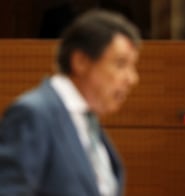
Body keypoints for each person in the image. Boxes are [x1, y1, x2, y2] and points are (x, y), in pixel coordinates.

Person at [0, 10, 141, 196]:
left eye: (133, 66)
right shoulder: (34, 114)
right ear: (80, 61)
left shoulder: (87, 122)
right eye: (120, 64)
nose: (132, 78)